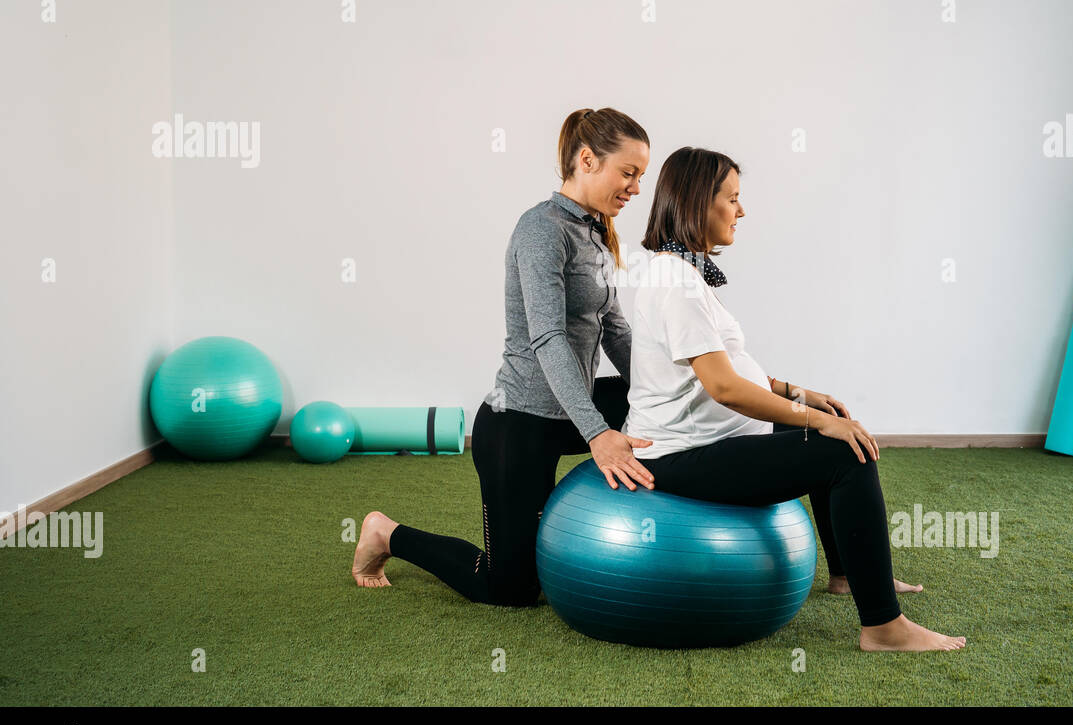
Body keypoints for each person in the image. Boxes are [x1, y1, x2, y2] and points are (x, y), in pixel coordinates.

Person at [620, 146, 966, 651]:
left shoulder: (682, 273)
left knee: (827, 425)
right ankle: (884, 628)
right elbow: (724, 387)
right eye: (732, 199)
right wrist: (816, 422)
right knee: (841, 451)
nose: (742, 212)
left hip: (713, 435)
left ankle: (849, 574)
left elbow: (729, 366)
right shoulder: (676, 282)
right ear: (698, 202)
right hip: (683, 456)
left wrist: (804, 396)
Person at [350, 107, 655, 604]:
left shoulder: (595, 231)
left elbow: (613, 328)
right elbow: (548, 338)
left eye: (640, 176)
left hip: (570, 412)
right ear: (586, 159)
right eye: (629, 173)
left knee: (663, 403)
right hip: (520, 424)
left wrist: (662, 388)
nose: (636, 188)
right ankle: (387, 533)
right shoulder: (542, 228)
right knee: (510, 588)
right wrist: (599, 432)